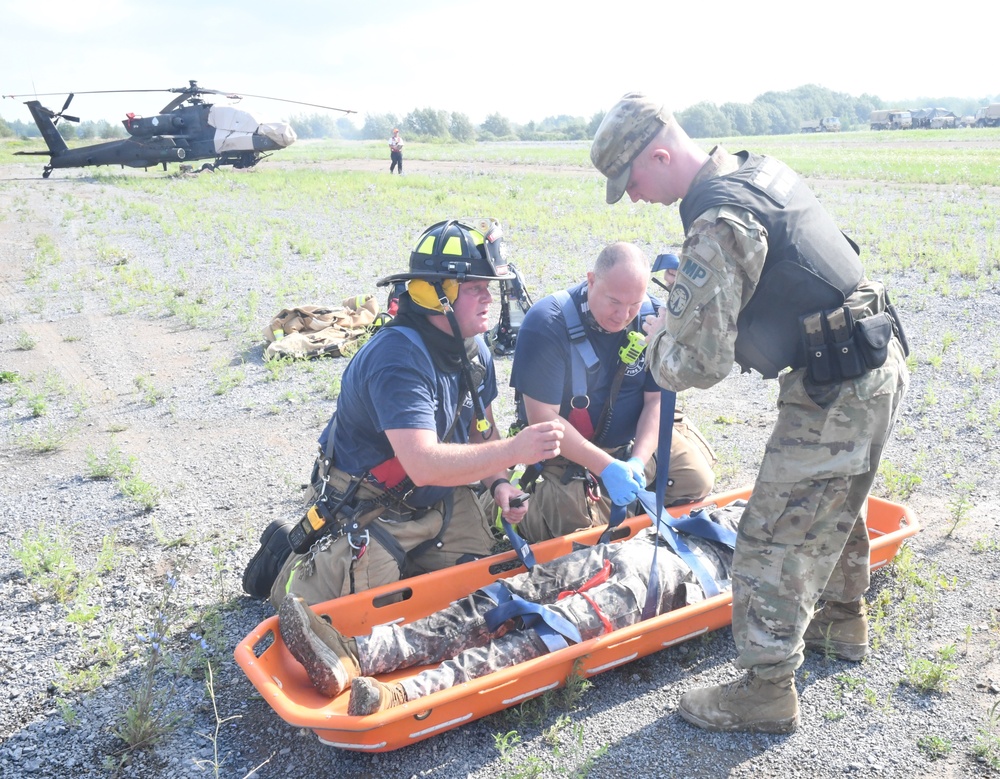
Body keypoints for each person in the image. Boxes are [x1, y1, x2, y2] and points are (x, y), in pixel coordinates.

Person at [590, 92, 910, 734]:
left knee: (770, 533)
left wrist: (659, 336)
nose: (634, 197)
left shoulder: (718, 221)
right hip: (869, 356)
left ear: (659, 153)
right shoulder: (753, 169)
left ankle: (766, 690)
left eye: (633, 181)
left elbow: (697, 364)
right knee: (829, 500)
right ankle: (839, 621)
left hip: (837, 385)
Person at [255, 219, 564, 608]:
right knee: (360, 619)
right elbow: (423, 463)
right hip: (371, 503)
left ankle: (407, 561)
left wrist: (501, 484)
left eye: (488, 288)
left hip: (437, 496)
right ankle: (288, 551)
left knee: (477, 591)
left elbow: (480, 431)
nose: (488, 298)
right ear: (439, 296)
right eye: (474, 289)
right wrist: (517, 450)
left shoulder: (473, 349)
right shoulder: (397, 359)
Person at [278, 502, 744, 715]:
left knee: (547, 633)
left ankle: (407, 695)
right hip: (651, 544)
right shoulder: (779, 489)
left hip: (679, 583)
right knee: (505, 598)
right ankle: (358, 653)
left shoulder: (806, 539)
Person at [509, 242, 716, 544]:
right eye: (614, 302)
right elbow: (543, 419)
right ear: (591, 280)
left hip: (632, 441)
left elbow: (656, 400)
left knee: (695, 481)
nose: (623, 315)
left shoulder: (652, 318)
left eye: (634, 303)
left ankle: (624, 502)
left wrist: (637, 462)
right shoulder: (547, 324)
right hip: (568, 449)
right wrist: (606, 468)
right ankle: (511, 502)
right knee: (579, 532)